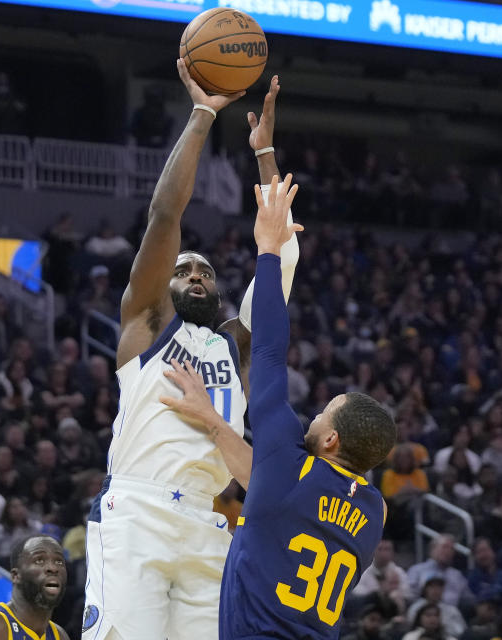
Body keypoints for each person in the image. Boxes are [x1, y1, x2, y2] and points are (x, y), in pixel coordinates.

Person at [81, 68, 300, 640]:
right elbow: (165, 217)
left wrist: (265, 153)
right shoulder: (145, 323)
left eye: (205, 270)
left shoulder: (237, 346)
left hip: (207, 520)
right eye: (183, 270)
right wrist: (203, 115)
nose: (195, 274)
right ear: (166, 286)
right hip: (137, 514)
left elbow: (282, 252)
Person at [163, 174, 395, 638]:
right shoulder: (376, 511)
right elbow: (269, 488)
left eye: (324, 412)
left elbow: (268, 348)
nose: (313, 415)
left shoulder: (290, 467)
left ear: (331, 439)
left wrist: (268, 250)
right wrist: (212, 421)